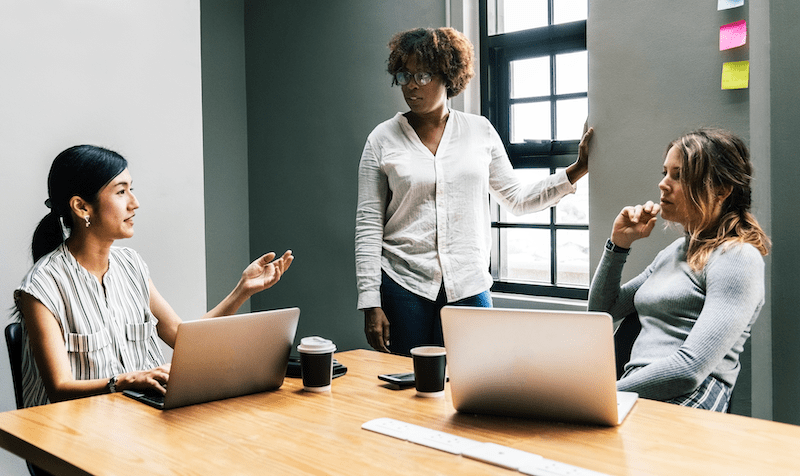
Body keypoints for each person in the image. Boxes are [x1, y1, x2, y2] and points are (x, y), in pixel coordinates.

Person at [355, 27, 593, 355]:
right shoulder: (382, 139)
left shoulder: (479, 131)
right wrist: (370, 302)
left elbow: (517, 199)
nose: (411, 84)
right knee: (408, 391)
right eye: (404, 74)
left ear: (448, 75)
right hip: (403, 286)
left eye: (422, 75)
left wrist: (576, 170)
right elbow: (368, 227)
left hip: (469, 283)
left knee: (473, 384)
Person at [14, 145, 294, 408]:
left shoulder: (131, 265)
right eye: (121, 192)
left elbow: (183, 339)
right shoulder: (42, 286)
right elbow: (59, 388)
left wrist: (242, 291)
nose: (134, 203)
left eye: (131, 190)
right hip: (74, 435)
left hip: (140, 418)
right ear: (82, 207)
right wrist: (126, 381)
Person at [588, 128, 769, 412]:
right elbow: (603, 310)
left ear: (721, 190)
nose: (663, 184)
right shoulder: (673, 253)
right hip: (637, 386)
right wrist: (618, 245)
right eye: (665, 173)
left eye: (679, 175)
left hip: (689, 395)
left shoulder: (737, 258)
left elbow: (689, 370)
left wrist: (600, 393)